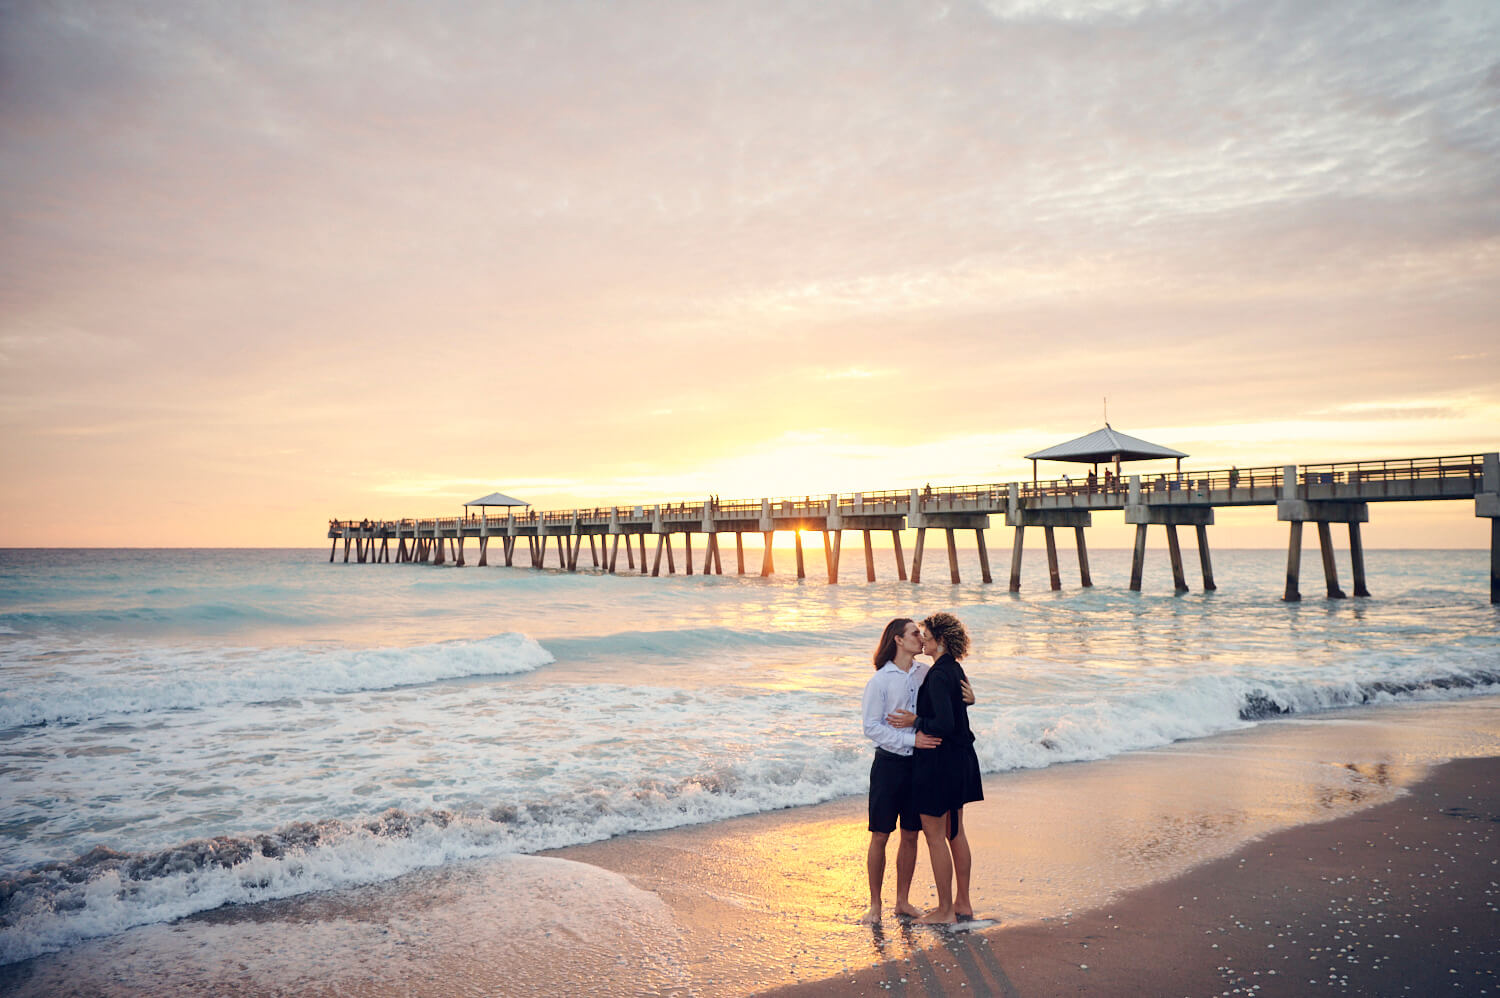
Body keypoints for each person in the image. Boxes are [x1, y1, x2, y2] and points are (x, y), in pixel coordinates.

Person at [858, 618, 933, 924]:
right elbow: (870, 727)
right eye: (915, 633)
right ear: (899, 640)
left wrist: (968, 699)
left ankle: (902, 901)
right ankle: (875, 905)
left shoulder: (925, 673)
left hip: (919, 765)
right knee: (879, 835)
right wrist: (909, 738)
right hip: (889, 765)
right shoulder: (880, 680)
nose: (921, 638)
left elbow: (940, 708)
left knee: (912, 835)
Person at [912, 612, 983, 924]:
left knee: (935, 835)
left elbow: (943, 723)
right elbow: (955, 710)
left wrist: (914, 721)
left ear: (940, 641)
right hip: (960, 759)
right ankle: (962, 904)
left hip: (941, 761)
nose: (923, 640)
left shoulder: (939, 674)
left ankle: (943, 911)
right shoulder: (954, 668)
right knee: (955, 831)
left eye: (926, 635)